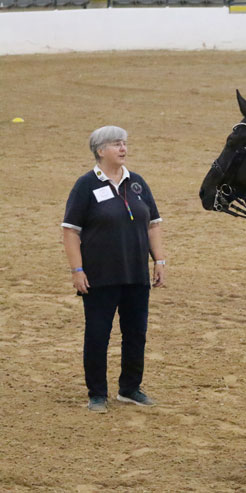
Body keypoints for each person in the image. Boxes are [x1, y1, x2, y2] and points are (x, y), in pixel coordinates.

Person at [61, 125, 166, 413]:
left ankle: (130, 388)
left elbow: (153, 224)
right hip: (99, 276)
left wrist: (159, 260)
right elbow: (70, 231)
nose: (123, 148)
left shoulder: (137, 183)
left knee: (136, 333)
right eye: (117, 144)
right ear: (100, 150)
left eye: (124, 143)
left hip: (135, 274)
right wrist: (77, 270)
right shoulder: (86, 185)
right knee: (98, 334)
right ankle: (97, 393)